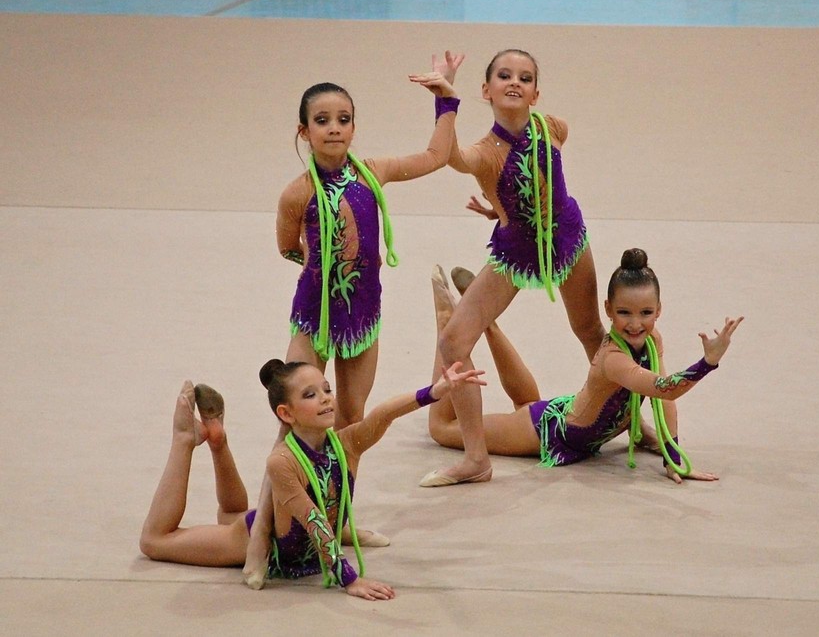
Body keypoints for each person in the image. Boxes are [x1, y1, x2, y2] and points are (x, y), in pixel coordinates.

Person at [248, 62, 463, 567]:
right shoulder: (297, 193)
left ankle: (339, 518)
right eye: (322, 120)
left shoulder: (373, 172)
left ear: (354, 126)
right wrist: (328, 274)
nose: (334, 128)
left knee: (349, 421)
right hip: (313, 319)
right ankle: (260, 539)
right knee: (290, 426)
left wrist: (446, 101)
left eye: (343, 119)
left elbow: (436, 156)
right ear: (304, 131)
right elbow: (288, 247)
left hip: (363, 318)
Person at [139, 362, 485, 598]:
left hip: (292, 539)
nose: (325, 398)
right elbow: (313, 519)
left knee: (229, 513)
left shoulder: (346, 444)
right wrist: (348, 579)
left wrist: (434, 392)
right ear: (285, 413)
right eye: (310, 395)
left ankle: (218, 441)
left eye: (326, 389)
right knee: (155, 541)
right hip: (262, 544)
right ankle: (185, 438)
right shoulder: (283, 461)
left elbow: (383, 415)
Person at [421, 49, 606, 487]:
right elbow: (450, 157)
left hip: (566, 238)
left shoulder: (553, 128)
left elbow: (542, 181)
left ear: (536, 94)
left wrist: (501, 204)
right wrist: (445, 99)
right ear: (486, 90)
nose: (515, 83)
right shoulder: (484, 153)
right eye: (504, 76)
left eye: (525, 78)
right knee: (453, 341)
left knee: (589, 330)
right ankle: (475, 458)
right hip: (517, 250)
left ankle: (631, 416)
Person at [424, 249, 743, 482]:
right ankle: (449, 321)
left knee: (525, 404)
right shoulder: (613, 358)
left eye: (645, 313)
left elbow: (663, 403)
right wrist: (708, 362)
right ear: (608, 309)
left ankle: (485, 322)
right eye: (624, 313)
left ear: (658, 309)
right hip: (550, 431)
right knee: (442, 428)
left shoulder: (652, 339)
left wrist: (672, 456)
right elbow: (664, 390)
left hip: (582, 420)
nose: (635, 324)